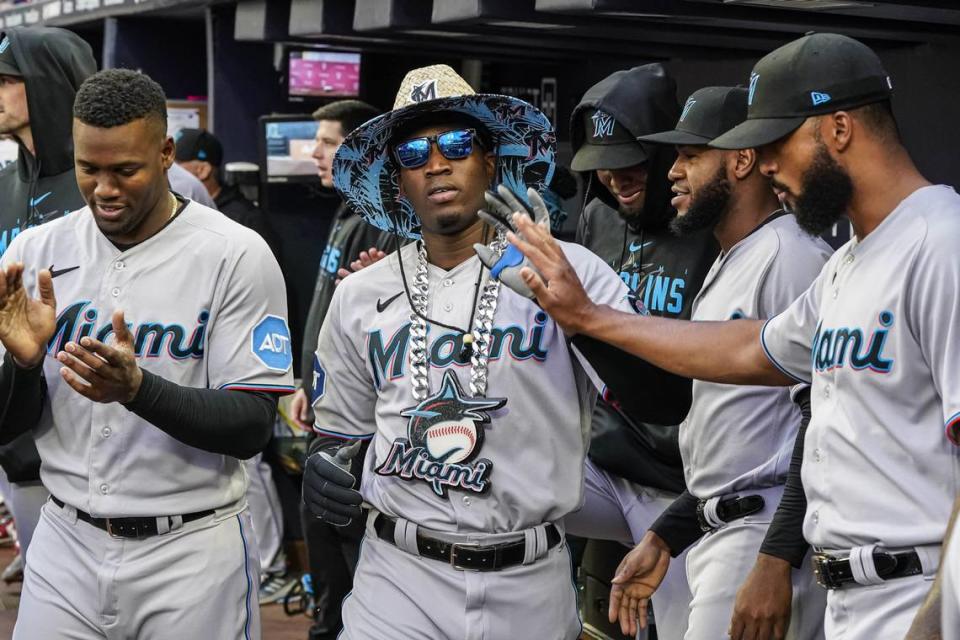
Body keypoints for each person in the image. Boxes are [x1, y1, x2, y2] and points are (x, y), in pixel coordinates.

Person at [498, 33, 958, 640]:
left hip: (917, 584)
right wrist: (587, 317)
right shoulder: (852, 261)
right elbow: (746, 349)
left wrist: (937, 618)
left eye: (774, 144)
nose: (765, 165)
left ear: (838, 129)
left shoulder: (941, 242)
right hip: (847, 589)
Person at [301, 64, 639, 639]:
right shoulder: (362, 294)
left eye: (456, 144)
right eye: (412, 153)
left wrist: (580, 316)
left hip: (529, 579)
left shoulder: (570, 272)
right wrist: (327, 463)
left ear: (489, 159)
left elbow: (645, 398)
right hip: (399, 576)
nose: (436, 163)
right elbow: (342, 435)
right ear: (397, 179)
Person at [0, 68, 293, 639]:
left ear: (165, 153)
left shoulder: (235, 253)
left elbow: (251, 426)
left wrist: (137, 390)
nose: (105, 189)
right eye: (90, 169)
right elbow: (6, 425)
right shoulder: (38, 250)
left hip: (190, 548)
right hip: (66, 541)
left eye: (125, 170)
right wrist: (24, 365)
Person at [599, 85, 830, 639]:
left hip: (763, 533)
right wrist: (666, 534)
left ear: (743, 159)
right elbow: (731, 443)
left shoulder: (791, 255)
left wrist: (776, 560)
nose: (673, 172)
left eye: (690, 155)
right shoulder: (737, 255)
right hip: (720, 523)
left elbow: (822, 421)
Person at [562, 63, 718, 640]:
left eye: (631, 162)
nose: (615, 178)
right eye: (603, 165)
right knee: (495, 481)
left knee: (677, 630)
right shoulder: (598, 216)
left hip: (679, 481)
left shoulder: (707, 221)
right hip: (606, 461)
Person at [0, 25, 96, 570]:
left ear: (51, 84)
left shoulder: (112, 188)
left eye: (7, 80)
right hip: (17, 442)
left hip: (99, 441)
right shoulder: (5, 182)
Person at [174, 127, 279, 256]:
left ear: (202, 170)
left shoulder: (246, 220)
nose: (170, 172)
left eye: (175, 165)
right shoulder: (176, 210)